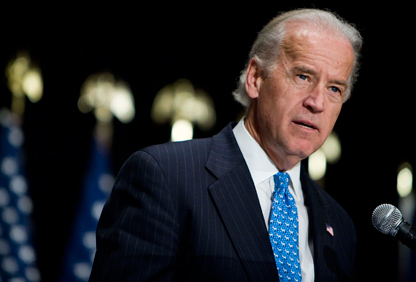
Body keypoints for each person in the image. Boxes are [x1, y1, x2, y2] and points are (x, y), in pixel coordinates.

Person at [89, 8, 362, 282]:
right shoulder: (165, 177)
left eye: (334, 89)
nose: (317, 102)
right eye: (303, 76)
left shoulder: (339, 224)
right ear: (255, 78)